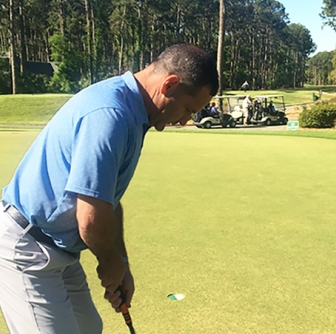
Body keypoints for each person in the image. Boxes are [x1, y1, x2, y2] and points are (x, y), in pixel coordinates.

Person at [0, 44, 218, 334]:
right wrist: (111, 263)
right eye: (188, 109)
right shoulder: (111, 114)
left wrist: (121, 262)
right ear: (170, 84)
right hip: (29, 248)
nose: (183, 120)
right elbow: (90, 218)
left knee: (90, 327)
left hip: (60, 251)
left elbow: (109, 200)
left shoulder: (133, 112)